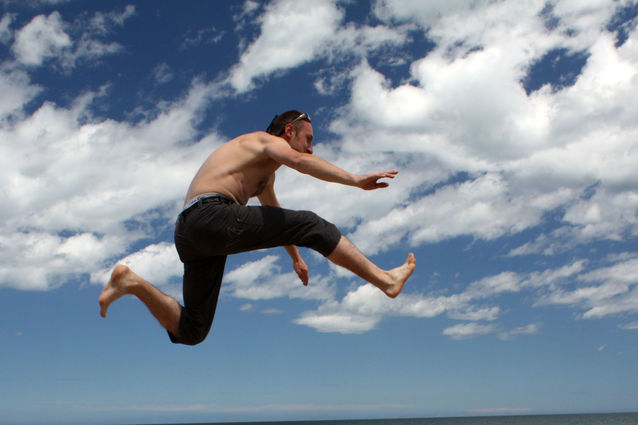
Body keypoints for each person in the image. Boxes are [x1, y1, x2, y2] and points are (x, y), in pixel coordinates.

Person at [99, 109, 416, 345]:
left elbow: (272, 212)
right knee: (312, 223)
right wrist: (354, 179)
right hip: (209, 216)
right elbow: (300, 163)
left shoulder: (263, 174)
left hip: (194, 233)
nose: (310, 148)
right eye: (308, 140)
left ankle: (131, 282)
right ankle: (386, 281)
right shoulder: (264, 142)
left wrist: (295, 258)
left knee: (193, 330)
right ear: (289, 131)